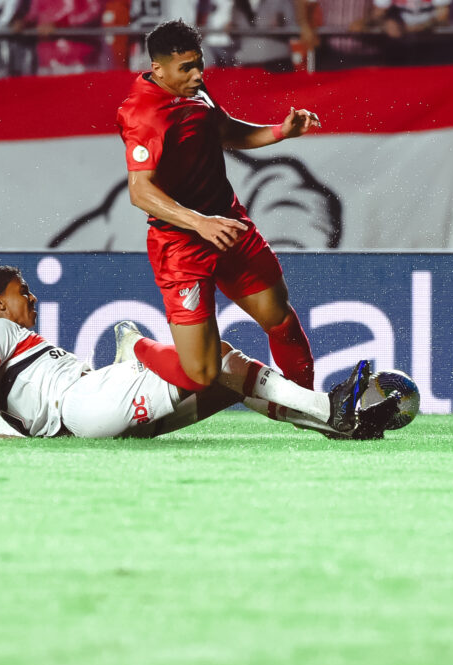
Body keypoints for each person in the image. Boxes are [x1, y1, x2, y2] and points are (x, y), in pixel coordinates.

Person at [116, 19, 320, 416]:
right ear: (158, 69)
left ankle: (311, 409)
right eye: (185, 68)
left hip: (229, 226)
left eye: (198, 64)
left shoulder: (194, 89)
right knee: (201, 373)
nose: (196, 75)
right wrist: (199, 222)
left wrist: (280, 131)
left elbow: (222, 130)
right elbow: (140, 191)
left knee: (280, 319)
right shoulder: (143, 113)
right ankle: (134, 345)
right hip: (183, 244)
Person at [0, 265, 400, 440]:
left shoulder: (26, 348)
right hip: (82, 405)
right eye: (22, 292)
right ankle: (330, 407)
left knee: (227, 384)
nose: (32, 299)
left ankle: (333, 425)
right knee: (215, 356)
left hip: (89, 421)